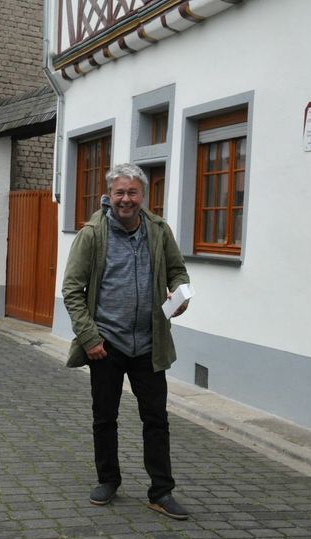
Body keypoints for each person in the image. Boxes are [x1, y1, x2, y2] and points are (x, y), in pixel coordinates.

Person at [62, 162, 192, 519]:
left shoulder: (159, 231)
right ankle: (108, 479)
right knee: (105, 417)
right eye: (119, 192)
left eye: (132, 192)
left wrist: (180, 293)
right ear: (109, 195)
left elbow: (178, 269)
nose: (126, 199)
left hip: (149, 343)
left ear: (142, 195)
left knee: (156, 419)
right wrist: (89, 337)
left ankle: (161, 491)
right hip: (106, 344)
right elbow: (72, 290)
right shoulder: (92, 234)